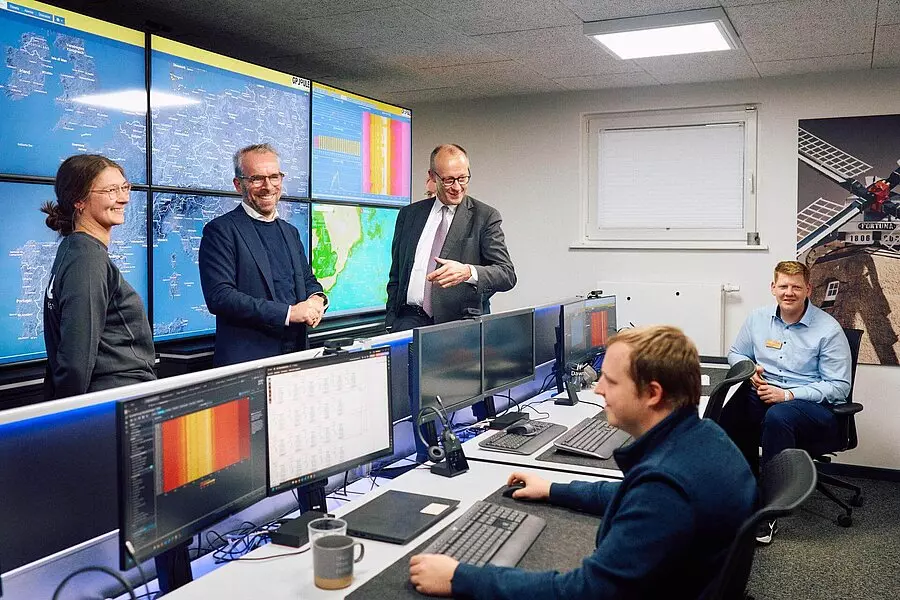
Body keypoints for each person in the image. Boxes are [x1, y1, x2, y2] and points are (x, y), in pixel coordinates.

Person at [409, 326, 757, 599]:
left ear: (653, 393)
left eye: (611, 380)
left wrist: (461, 578)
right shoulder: (703, 437)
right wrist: (554, 489)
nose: (599, 389)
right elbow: (632, 496)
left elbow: (586, 592)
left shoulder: (665, 486)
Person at [720, 260, 851, 543]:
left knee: (779, 416)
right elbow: (736, 353)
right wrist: (749, 370)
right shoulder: (757, 318)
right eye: (783, 286)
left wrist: (788, 395)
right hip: (766, 394)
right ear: (773, 287)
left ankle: (769, 512)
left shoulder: (828, 329)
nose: (788, 292)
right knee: (728, 407)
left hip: (812, 408)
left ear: (808, 289)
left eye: (796, 287)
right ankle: (743, 491)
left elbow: (839, 387)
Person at [199, 143, 327, 367]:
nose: (268, 186)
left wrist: (317, 299)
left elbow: (307, 280)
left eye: (274, 177)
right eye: (257, 179)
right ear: (238, 185)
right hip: (248, 364)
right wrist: (289, 313)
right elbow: (220, 297)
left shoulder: (290, 232)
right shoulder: (220, 231)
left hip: (296, 357)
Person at [41, 154, 156, 399]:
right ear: (79, 200)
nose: (124, 198)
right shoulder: (87, 260)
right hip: (113, 400)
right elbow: (75, 362)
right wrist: (68, 415)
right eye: (111, 190)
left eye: (124, 187)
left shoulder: (75, 249)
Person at [385, 144, 515, 332]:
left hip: (459, 327)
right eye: (448, 180)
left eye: (463, 178)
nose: (457, 187)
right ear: (432, 176)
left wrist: (468, 272)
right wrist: (391, 321)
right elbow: (396, 274)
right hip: (408, 322)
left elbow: (507, 274)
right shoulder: (409, 215)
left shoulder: (485, 217)